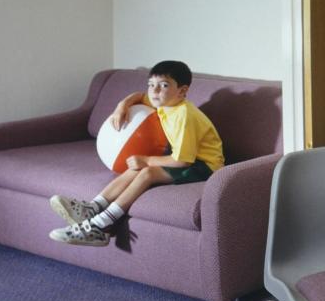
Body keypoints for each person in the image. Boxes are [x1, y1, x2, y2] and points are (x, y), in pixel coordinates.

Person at [48, 60, 224, 247]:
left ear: (182, 91)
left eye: (163, 85)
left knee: (147, 172)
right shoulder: (166, 102)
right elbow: (139, 97)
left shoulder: (184, 116)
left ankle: (101, 226)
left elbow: (182, 161)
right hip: (186, 158)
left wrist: (147, 160)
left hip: (205, 166)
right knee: (135, 169)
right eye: (151, 85)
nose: (154, 91)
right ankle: (93, 208)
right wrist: (122, 105)